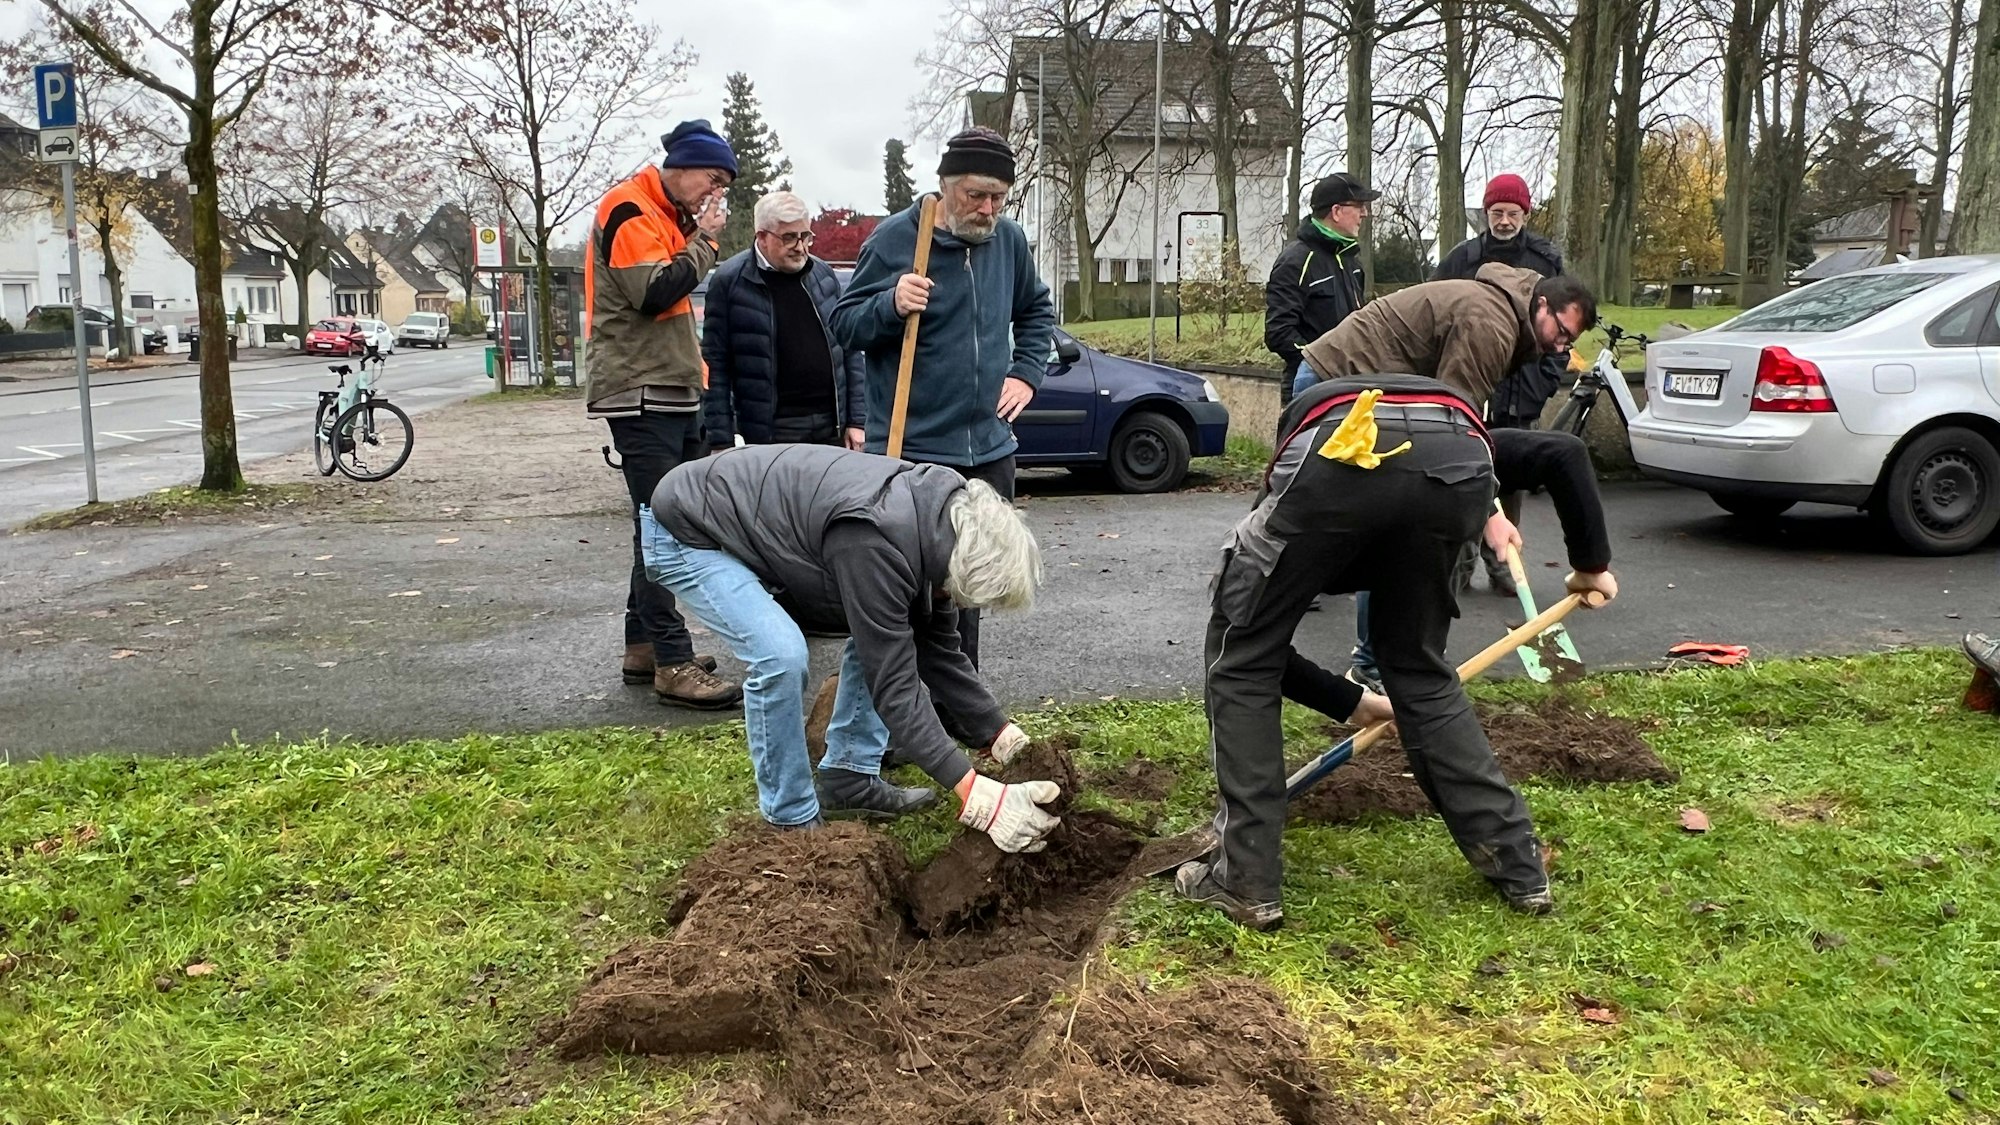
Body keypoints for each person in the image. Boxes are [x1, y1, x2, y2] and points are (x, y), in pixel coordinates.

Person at [1175, 376, 1620, 930]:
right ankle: (1519, 866)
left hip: (1337, 453)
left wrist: (1340, 697)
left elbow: (1252, 650)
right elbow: (1564, 451)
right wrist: (1592, 565)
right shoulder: (1465, 431)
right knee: (1417, 668)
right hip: (1456, 469)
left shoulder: (1291, 488)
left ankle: (1243, 880)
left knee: (1240, 655)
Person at [641, 443, 1062, 849]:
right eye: (961, 595)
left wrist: (1002, 735)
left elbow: (938, 650)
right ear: (958, 565)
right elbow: (896, 691)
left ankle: (849, 779)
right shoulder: (874, 538)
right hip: (688, 530)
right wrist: (973, 791)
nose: (957, 604)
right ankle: (789, 818)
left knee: (886, 630)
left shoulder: (943, 526)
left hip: (744, 520)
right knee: (780, 656)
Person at [1298, 265, 1598, 693]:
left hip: (1375, 397)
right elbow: (1453, 426)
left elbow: (1460, 417)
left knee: (1397, 524)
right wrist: (1491, 512)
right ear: (1543, 304)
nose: (1560, 345)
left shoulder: (1507, 317)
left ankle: (1381, 663)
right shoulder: (1490, 323)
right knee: (1389, 526)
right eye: (1561, 331)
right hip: (1340, 389)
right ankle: (1368, 665)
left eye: (1570, 340)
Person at [830, 126, 1056, 667]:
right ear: (946, 185)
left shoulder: (1008, 241)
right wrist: (890, 303)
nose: (987, 209)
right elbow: (845, 325)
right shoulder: (895, 239)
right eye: (976, 195)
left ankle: (957, 699)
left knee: (971, 584)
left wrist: (1026, 373)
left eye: (998, 197)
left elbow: (1036, 310)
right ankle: (894, 700)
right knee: (905, 589)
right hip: (914, 451)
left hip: (988, 450)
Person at [584, 119, 745, 710]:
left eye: (722, 185)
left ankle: (645, 645)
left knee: (658, 521)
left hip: (668, 388)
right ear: (682, 167)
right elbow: (654, 292)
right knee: (663, 526)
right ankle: (673, 662)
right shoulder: (630, 209)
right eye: (713, 179)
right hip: (641, 389)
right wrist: (705, 242)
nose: (714, 193)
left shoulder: (662, 215)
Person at [1433, 174, 1568, 596]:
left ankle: (1504, 563)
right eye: (1496, 213)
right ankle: (1458, 565)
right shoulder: (1461, 258)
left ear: (1525, 214)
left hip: (1522, 388)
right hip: (1468, 385)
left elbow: (1563, 327)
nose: (1504, 221)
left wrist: (1544, 383)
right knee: (1460, 475)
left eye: (1512, 213)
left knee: (1508, 478)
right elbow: (1434, 314)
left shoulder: (1546, 260)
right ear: (1485, 214)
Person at [701, 191, 867, 452]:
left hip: (831, 426)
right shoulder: (730, 281)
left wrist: (857, 420)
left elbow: (850, 350)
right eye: (789, 237)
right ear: (762, 237)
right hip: (772, 433)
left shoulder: (823, 275)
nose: (800, 247)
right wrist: (721, 440)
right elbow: (715, 364)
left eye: (805, 236)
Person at [1265, 172, 1377, 406]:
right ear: (1336, 211)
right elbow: (1278, 332)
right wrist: (1322, 361)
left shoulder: (1352, 263)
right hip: (1310, 392)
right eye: (1358, 206)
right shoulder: (1295, 262)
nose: (1364, 213)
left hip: (1351, 387)